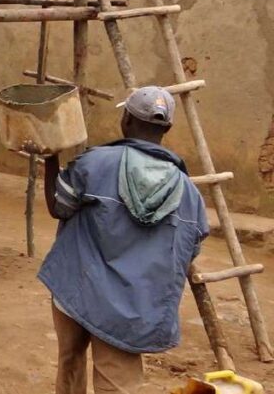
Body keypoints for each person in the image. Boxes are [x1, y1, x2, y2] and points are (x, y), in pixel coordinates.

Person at [38, 86, 209, 394]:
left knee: (70, 364)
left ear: (126, 119)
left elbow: (57, 206)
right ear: (167, 128)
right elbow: (189, 249)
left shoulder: (94, 164)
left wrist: (51, 158)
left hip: (77, 288)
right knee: (117, 386)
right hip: (132, 309)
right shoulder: (190, 194)